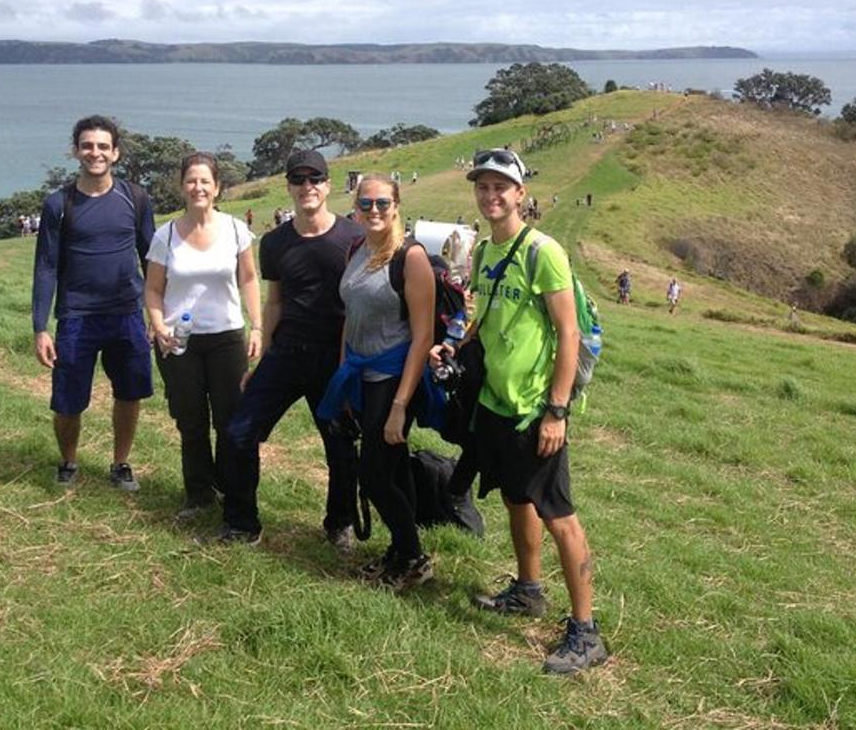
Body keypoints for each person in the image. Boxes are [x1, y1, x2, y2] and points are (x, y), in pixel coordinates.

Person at [431, 148, 606, 675]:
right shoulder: (486, 252)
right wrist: (456, 348)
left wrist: (557, 410)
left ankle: (586, 632)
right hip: (495, 404)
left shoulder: (542, 251)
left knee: (560, 516)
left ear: (520, 194)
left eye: (500, 187)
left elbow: (568, 332)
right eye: (482, 187)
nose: (490, 196)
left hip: (535, 410)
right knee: (515, 499)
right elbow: (488, 319)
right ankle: (529, 591)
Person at [217, 150, 365, 547]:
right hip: (287, 352)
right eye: (298, 180)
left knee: (340, 444)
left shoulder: (354, 238)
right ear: (288, 187)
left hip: (336, 357)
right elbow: (275, 300)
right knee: (239, 433)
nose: (307, 187)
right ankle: (242, 523)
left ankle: (340, 522)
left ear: (328, 185)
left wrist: (356, 363)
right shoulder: (275, 242)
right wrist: (263, 355)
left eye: (314, 179)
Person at [318, 174, 435, 589]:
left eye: (382, 203)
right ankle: (402, 551)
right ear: (356, 206)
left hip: (392, 377)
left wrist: (400, 406)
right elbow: (350, 317)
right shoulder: (357, 249)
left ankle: (414, 556)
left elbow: (423, 337)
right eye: (366, 204)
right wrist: (343, 375)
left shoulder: (410, 256)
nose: (373, 211)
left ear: (397, 205)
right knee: (393, 467)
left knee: (373, 473)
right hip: (360, 374)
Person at [32, 115, 156, 491]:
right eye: (87, 145)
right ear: (76, 151)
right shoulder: (59, 203)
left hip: (126, 314)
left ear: (115, 153)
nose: (95, 153)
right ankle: (68, 462)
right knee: (67, 401)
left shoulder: (135, 197)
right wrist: (40, 327)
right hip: (76, 317)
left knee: (129, 393)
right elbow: (46, 267)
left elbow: (151, 259)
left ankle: (121, 464)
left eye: (103, 146)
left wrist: (157, 315)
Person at [145, 152, 263, 520]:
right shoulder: (165, 235)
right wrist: (159, 326)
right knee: (191, 421)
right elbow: (152, 289)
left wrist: (256, 325)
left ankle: (233, 491)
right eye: (191, 181)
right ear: (182, 186)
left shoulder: (234, 230)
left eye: (205, 181)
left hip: (227, 336)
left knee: (229, 421)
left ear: (218, 188)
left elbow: (248, 279)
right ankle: (198, 495)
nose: (198, 187)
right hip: (179, 342)